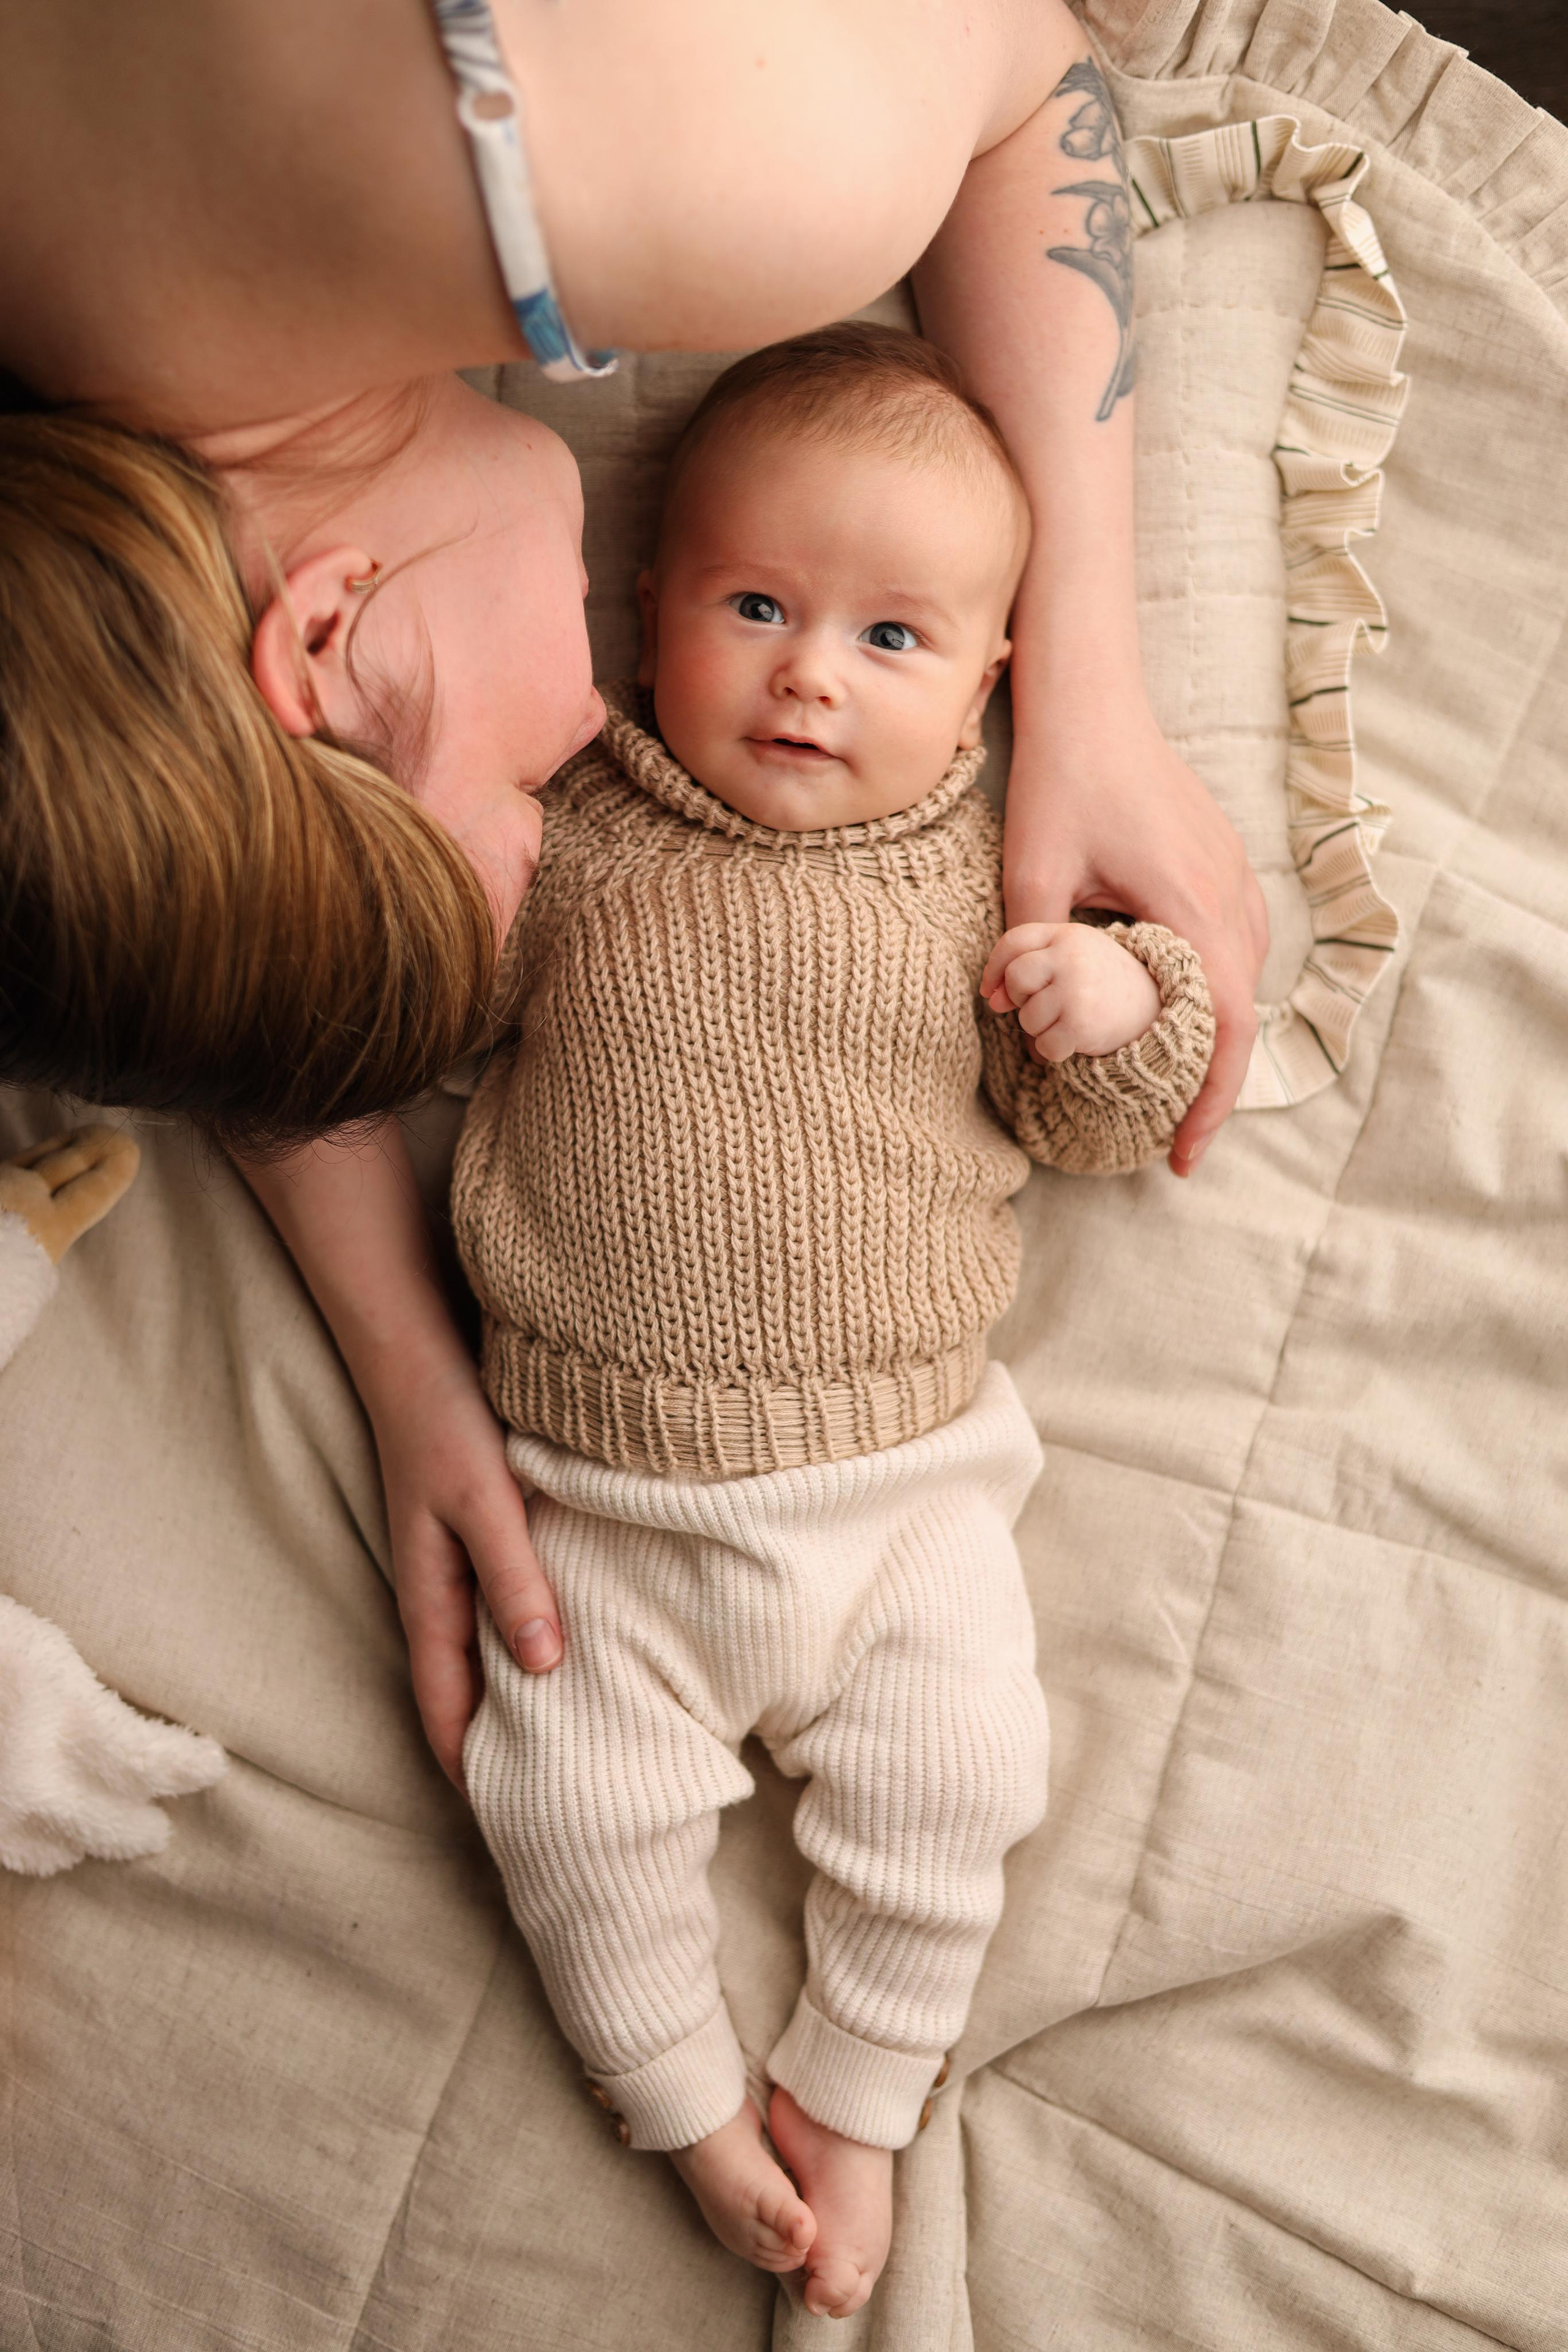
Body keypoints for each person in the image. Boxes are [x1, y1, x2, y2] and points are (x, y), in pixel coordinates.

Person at [0, 0, 1264, 1765]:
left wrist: (1089, 688)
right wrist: (407, 1362)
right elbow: (216, 864)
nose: (590, 741)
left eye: (519, 798)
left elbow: (1025, 62)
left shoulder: (724, 184)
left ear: (328, 635)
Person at [244, 325, 1216, 2316]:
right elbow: (400, 998)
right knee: (560, 1804)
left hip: (901, 1497)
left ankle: (860, 2089)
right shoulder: (570, 831)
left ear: (991, 681)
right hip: (593, 1498)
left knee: (964, 1777)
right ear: (648, 604)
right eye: (755, 607)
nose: (807, 676)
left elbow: (1101, 1122)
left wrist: (1121, 1003)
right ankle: (679, 2095)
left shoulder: (991, 885)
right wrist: (384, 818)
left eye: (891, 638)